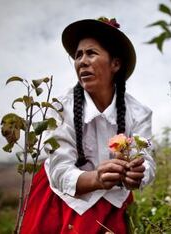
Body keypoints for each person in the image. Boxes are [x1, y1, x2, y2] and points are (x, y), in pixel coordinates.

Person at [20, 17, 156, 233]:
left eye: (91, 53)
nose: (82, 61)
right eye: (78, 55)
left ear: (115, 64)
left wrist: (138, 175)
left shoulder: (138, 113)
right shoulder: (60, 108)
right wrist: (96, 178)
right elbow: (59, 170)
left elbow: (147, 161)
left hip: (114, 205)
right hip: (63, 202)